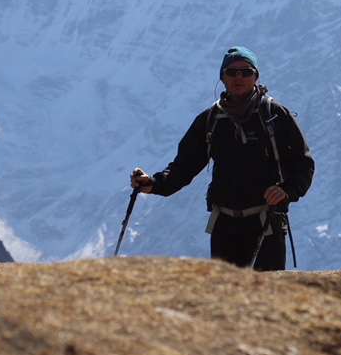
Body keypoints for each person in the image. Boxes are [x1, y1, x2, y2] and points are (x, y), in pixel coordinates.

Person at [130, 46, 314, 271]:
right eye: (232, 71)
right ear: (222, 76)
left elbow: (303, 164)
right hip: (224, 227)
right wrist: (154, 184)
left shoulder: (275, 116)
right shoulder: (211, 120)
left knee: (265, 301)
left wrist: (287, 190)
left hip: (266, 223)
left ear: (256, 76)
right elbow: (184, 166)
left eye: (246, 71)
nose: (239, 77)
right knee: (227, 300)